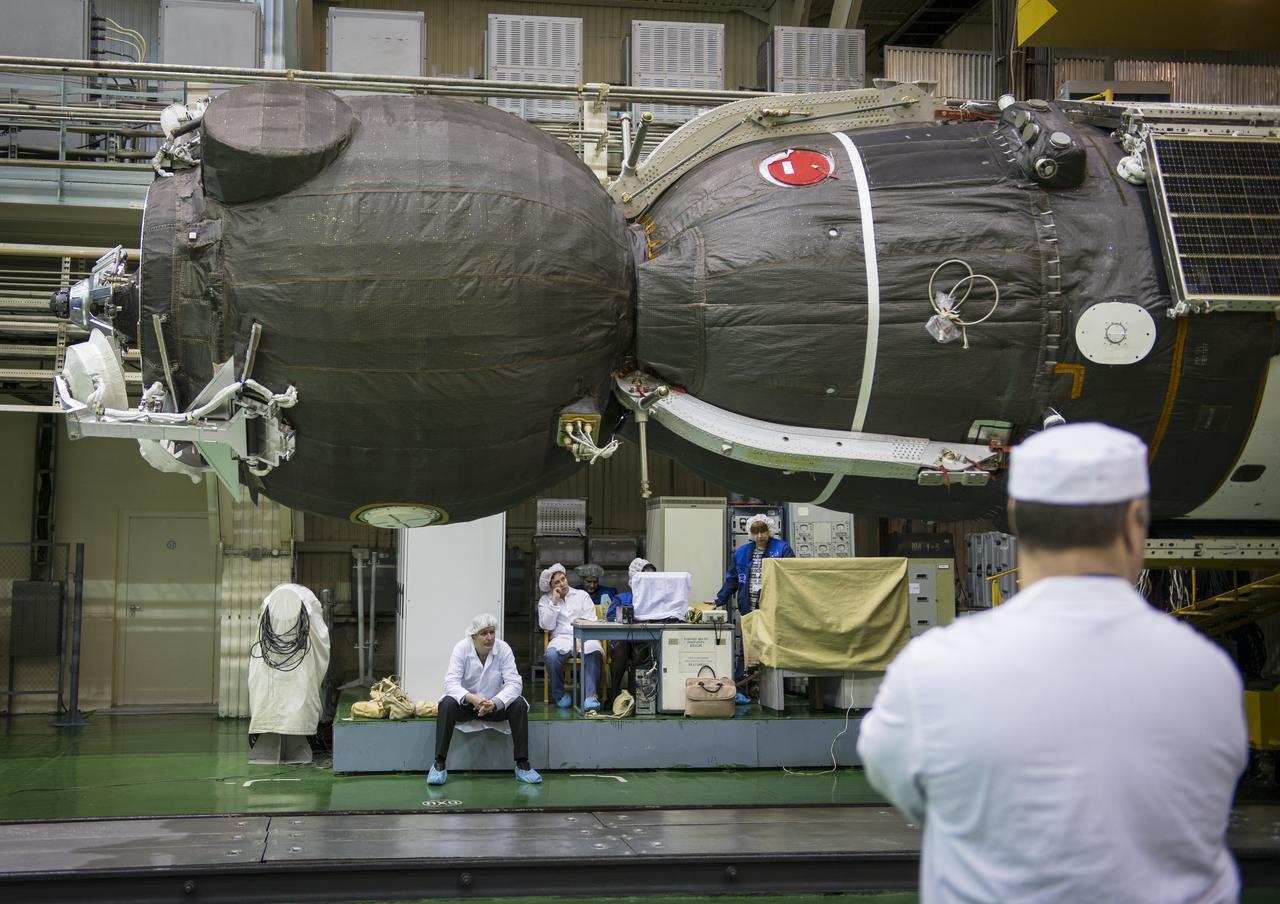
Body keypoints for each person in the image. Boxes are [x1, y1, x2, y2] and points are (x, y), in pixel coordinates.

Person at [857, 422, 1247, 903]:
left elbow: (907, 788)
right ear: (1135, 520)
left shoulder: (934, 669)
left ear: (1016, 516)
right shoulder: (1207, 673)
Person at [429, 614, 540, 786]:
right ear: (473, 636)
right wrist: (472, 698)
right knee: (447, 704)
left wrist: (495, 702)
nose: (489, 638)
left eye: (492, 632)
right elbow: (450, 682)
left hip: (493, 706)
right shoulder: (461, 648)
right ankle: (439, 764)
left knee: (518, 704)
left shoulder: (503, 649)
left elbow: (514, 683)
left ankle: (522, 764)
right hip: (468, 706)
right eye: (484, 633)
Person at [715, 513, 794, 703]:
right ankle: (742, 689)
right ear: (750, 532)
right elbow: (732, 579)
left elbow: (793, 577)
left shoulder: (782, 549)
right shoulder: (741, 552)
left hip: (773, 610)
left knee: (772, 647)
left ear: (770, 530)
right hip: (748, 608)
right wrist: (719, 600)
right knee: (747, 649)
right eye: (755, 532)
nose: (760, 536)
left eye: (763, 531)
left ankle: (773, 691)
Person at [538, 563, 604, 711]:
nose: (562, 584)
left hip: (585, 635)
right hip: (561, 638)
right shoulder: (545, 601)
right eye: (557, 582)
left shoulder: (582, 595)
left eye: (563, 579)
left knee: (594, 653)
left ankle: (590, 696)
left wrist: (580, 639)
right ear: (550, 586)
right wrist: (554, 602)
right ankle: (560, 694)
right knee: (551, 656)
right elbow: (546, 626)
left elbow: (591, 620)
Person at [607, 557, 657, 696]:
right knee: (621, 649)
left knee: (640, 652)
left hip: (642, 642)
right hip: (621, 640)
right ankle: (614, 693)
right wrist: (628, 613)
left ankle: (634, 695)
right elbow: (610, 617)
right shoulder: (622, 598)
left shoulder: (656, 602)